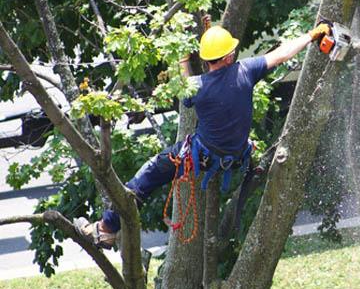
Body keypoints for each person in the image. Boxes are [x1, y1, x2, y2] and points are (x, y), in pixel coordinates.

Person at [74, 22, 331, 249]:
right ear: (229, 55)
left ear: (206, 59)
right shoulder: (247, 71)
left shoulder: (198, 87)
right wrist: (311, 35)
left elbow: (186, 84)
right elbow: (281, 54)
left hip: (203, 157)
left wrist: (182, 57)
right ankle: (108, 228)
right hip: (236, 158)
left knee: (149, 174)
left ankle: (106, 229)